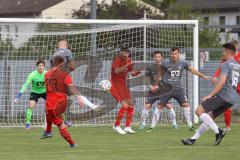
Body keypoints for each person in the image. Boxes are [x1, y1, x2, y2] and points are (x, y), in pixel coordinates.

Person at [182, 43, 240, 145]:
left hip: (224, 96)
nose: (222, 53)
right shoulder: (238, 65)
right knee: (209, 118)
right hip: (233, 98)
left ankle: (219, 131)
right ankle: (192, 139)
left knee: (198, 110)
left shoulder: (225, 64)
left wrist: (210, 95)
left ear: (227, 52)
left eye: (223, 51)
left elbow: (222, 82)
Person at [147, 47, 210, 132]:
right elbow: (159, 73)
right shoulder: (165, 62)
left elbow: (192, 70)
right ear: (170, 54)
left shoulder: (183, 62)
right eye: (172, 54)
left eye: (175, 54)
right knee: (160, 106)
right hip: (166, 88)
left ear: (178, 54)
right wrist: (155, 84)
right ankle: (152, 126)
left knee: (186, 105)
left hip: (178, 88)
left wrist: (202, 75)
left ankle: (190, 125)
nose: (173, 55)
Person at [43, 55, 83, 147]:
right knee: (60, 124)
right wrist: (79, 97)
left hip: (50, 104)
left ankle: (49, 131)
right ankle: (72, 143)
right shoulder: (65, 75)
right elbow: (71, 88)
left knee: (50, 114)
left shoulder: (46, 74)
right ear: (61, 64)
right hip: (60, 103)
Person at [139, 51, 177, 130]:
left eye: (159, 57)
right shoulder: (150, 67)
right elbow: (145, 79)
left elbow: (170, 78)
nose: (157, 58)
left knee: (169, 106)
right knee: (147, 106)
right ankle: (142, 124)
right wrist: (150, 87)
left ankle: (174, 124)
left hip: (163, 91)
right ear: (153, 58)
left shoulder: (166, 68)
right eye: (156, 57)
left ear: (161, 58)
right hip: (152, 91)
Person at [110, 46, 141, 134]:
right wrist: (127, 65)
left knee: (131, 105)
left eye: (126, 53)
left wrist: (138, 72)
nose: (124, 54)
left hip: (123, 85)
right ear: (120, 52)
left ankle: (127, 126)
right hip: (115, 85)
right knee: (125, 105)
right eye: (123, 52)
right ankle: (116, 125)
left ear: (128, 54)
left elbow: (132, 73)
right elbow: (116, 71)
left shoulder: (128, 60)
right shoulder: (117, 59)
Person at [211, 40, 240, 130]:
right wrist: (215, 76)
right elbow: (221, 67)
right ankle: (227, 126)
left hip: (238, 83)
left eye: (235, 46)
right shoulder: (227, 58)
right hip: (230, 84)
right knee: (227, 104)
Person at [14, 60, 47, 129]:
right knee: (31, 106)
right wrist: (18, 96)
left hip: (45, 92)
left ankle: (61, 121)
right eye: (39, 66)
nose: (41, 67)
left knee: (54, 106)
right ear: (37, 66)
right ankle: (28, 122)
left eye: (42, 65)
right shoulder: (32, 74)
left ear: (44, 66)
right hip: (35, 92)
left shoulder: (47, 73)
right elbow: (26, 85)